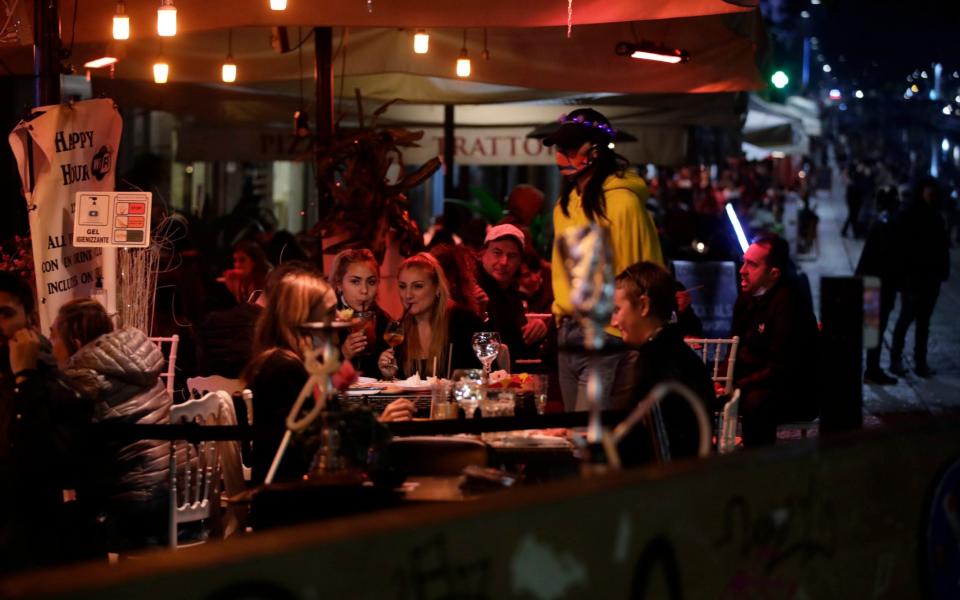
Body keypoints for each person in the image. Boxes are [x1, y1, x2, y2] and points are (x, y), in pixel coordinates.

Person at [242, 263, 414, 483]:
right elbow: (312, 450)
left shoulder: (293, 363)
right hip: (290, 503)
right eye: (329, 313)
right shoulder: (283, 369)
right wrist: (377, 426)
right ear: (303, 318)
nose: (340, 321)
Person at [545, 108, 664, 411]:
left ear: (594, 152)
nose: (561, 157)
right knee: (575, 434)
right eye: (559, 150)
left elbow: (643, 272)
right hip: (568, 330)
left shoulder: (624, 204)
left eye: (569, 150)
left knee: (590, 436)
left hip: (608, 333)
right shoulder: (564, 207)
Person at [53, 299, 171, 551]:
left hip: (136, 506)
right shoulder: (137, 365)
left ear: (74, 343)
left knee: (50, 530)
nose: (52, 349)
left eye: (54, 338)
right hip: (173, 490)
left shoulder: (85, 380)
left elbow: (72, 458)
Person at [0, 274, 91, 572]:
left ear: (30, 319)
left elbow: (35, 462)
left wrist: (24, 378)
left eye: (5, 314)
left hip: (31, 540)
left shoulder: (51, 381)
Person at [611, 262, 715, 465]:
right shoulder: (677, 352)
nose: (614, 322)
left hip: (667, 483)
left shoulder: (654, 360)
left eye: (617, 310)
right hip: (693, 475)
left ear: (643, 306)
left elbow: (634, 440)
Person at [731, 234, 820, 447]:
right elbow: (734, 345)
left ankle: (760, 467)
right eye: (744, 261)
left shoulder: (789, 305)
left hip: (793, 391)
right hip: (753, 382)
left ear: (774, 274)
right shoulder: (746, 298)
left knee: (756, 402)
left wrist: (736, 386)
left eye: (752, 265)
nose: (742, 270)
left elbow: (781, 368)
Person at [378, 253, 482, 380]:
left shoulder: (463, 322)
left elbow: (482, 377)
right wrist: (390, 376)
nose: (408, 295)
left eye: (418, 286)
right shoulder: (399, 332)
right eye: (402, 287)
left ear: (437, 288)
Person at [889, 178, 950, 378]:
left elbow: (943, 248)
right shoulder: (910, 215)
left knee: (923, 323)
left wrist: (942, 273)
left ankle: (920, 362)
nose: (930, 196)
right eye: (928, 192)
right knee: (906, 318)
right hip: (913, 279)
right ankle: (896, 359)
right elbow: (901, 248)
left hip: (930, 279)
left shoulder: (936, 217)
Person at [475, 224, 548, 367]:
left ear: (520, 261)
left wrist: (538, 330)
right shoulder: (471, 288)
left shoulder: (511, 294)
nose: (504, 262)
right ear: (482, 253)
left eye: (512, 256)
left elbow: (518, 349)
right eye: (497, 252)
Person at [856, 186, 901, 384]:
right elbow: (887, 256)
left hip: (874, 280)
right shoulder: (886, 222)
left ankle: (871, 368)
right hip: (879, 283)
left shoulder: (881, 220)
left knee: (873, 328)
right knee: (875, 328)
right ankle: (872, 369)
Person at [329, 249, 393, 378]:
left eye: (371, 282)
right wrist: (343, 355)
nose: (364, 290)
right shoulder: (325, 320)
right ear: (339, 284)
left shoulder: (384, 321)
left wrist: (388, 372)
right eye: (355, 281)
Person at [222, 239, 271, 305]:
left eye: (242, 260)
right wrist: (234, 289)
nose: (237, 265)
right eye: (235, 260)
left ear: (254, 262)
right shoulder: (242, 279)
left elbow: (254, 309)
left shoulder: (265, 279)